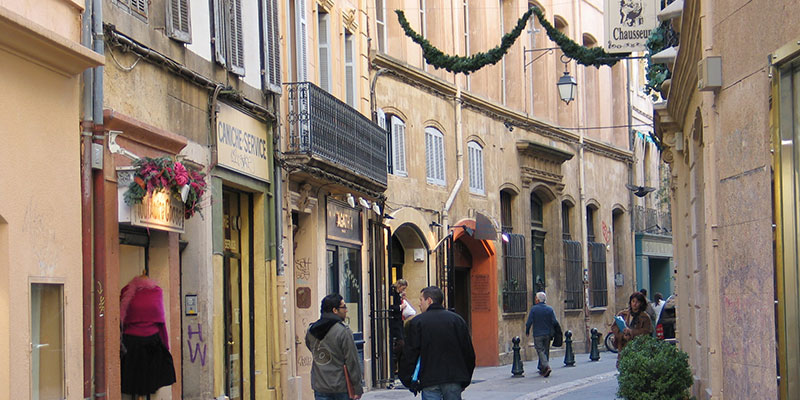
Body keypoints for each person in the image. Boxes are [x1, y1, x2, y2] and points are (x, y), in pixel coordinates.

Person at [399, 286, 476, 400]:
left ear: (429, 300)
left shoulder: (417, 322)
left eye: (421, 300)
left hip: (429, 379)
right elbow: (468, 353)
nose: (419, 304)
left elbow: (410, 353)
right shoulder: (457, 320)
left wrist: (407, 380)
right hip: (453, 378)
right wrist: (465, 379)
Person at [119, 274, 176, 397]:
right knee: (150, 380)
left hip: (131, 343)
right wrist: (165, 345)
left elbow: (121, 322)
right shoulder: (156, 291)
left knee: (132, 381)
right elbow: (161, 323)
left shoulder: (126, 291)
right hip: (152, 342)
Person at [306, 294, 363, 400]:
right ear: (335, 310)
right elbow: (352, 361)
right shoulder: (343, 331)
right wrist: (357, 388)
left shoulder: (311, 330)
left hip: (320, 385)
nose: (346, 310)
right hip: (340, 387)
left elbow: (310, 347)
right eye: (344, 307)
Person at [525, 292, 560, 377]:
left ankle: (546, 366)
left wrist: (527, 330)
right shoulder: (550, 309)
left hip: (538, 334)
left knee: (540, 350)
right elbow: (554, 321)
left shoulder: (534, 309)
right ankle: (542, 368)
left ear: (537, 300)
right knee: (546, 350)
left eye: (535, 298)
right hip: (547, 333)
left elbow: (529, 321)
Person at [612, 291, 653, 359]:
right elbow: (614, 327)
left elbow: (646, 331)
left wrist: (631, 332)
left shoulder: (645, 317)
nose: (634, 304)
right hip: (623, 347)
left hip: (638, 348)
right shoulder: (622, 314)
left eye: (637, 302)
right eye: (633, 301)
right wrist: (622, 335)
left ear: (641, 303)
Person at [389, 279, 409, 386]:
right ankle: (394, 365)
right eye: (403, 288)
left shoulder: (398, 294)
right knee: (401, 343)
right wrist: (401, 307)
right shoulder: (392, 293)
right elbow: (391, 308)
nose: (403, 290)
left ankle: (396, 365)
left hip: (399, 321)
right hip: (395, 322)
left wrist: (403, 299)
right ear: (399, 285)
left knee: (402, 342)